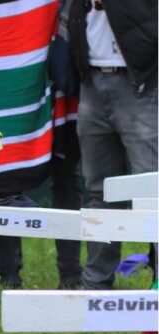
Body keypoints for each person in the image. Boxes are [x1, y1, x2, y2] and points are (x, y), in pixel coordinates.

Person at [68, 0, 157, 289]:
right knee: (101, 191)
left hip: (141, 84)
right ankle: (95, 285)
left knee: (152, 192)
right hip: (92, 81)